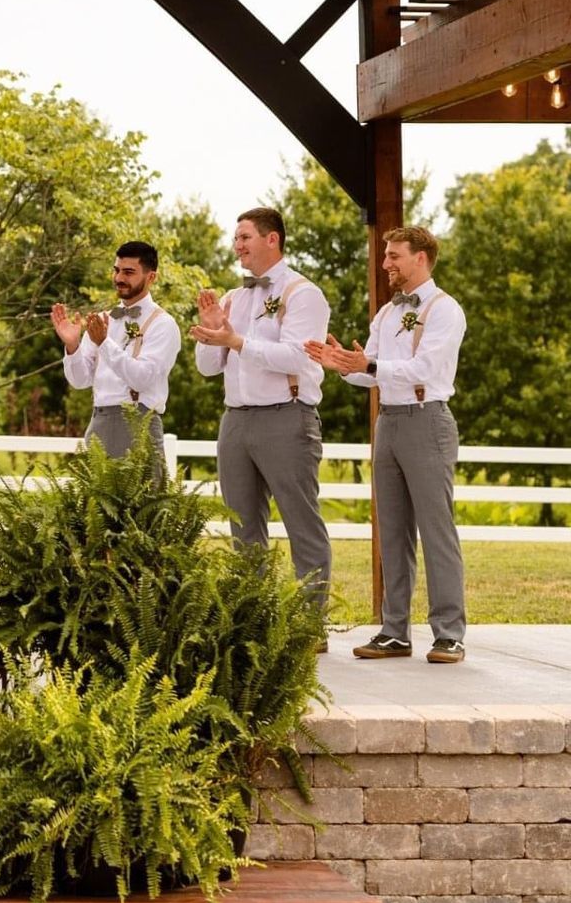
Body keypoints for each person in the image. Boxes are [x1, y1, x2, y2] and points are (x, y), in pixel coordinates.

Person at [306, 226, 468, 664]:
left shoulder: (444, 310)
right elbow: (369, 372)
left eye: (394, 256)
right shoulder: (385, 314)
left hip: (427, 419)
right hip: (389, 423)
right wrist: (341, 363)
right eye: (385, 256)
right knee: (392, 532)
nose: (386, 264)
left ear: (421, 257)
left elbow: (424, 366)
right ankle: (395, 631)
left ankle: (449, 633)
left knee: (437, 531)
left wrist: (371, 363)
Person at [191, 207, 334, 616]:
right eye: (235, 239)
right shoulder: (233, 297)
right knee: (243, 525)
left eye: (245, 237)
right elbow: (206, 368)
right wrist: (212, 331)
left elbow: (294, 356)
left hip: (286, 416)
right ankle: (252, 620)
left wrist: (235, 339)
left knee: (301, 522)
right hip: (235, 419)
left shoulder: (303, 294)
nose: (237, 246)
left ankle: (309, 624)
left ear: (273, 239)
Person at [53, 240, 178, 475]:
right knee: (96, 509)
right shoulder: (101, 320)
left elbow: (142, 379)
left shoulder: (163, 324)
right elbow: (80, 381)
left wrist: (104, 343)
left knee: (145, 508)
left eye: (129, 272)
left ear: (151, 277)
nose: (119, 278)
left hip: (138, 424)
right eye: (117, 270)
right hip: (99, 421)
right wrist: (72, 346)